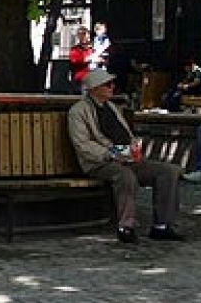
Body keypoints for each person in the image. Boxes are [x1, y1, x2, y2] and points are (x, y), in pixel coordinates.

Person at [67, 69, 184, 243]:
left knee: (168, 172)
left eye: (112, 84)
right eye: (107, 84)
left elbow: (125, 134)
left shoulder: (112, 107)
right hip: (100, 163)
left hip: (126, 158)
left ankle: (162, 225)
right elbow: (83, 145)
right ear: (94, 88)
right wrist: (112, 153)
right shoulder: (78, 112)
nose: (112, 87)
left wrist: (133, 147)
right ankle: (126, 226)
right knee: (125, 176)